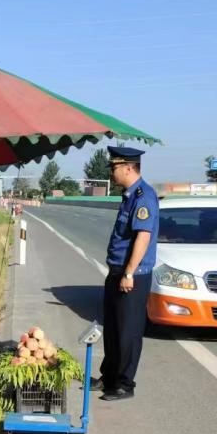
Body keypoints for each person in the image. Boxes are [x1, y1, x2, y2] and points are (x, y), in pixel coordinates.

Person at [92, 145, 160, 401]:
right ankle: (109, 375)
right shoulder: (129, 196)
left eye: (114, 167)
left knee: (128, 331)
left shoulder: (144, 197)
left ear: (129, 168)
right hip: (118, 270)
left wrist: (129, 273)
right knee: (112, 326)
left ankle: (124, 384)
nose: (111, 172)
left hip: (133, 274)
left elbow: (143, 237)